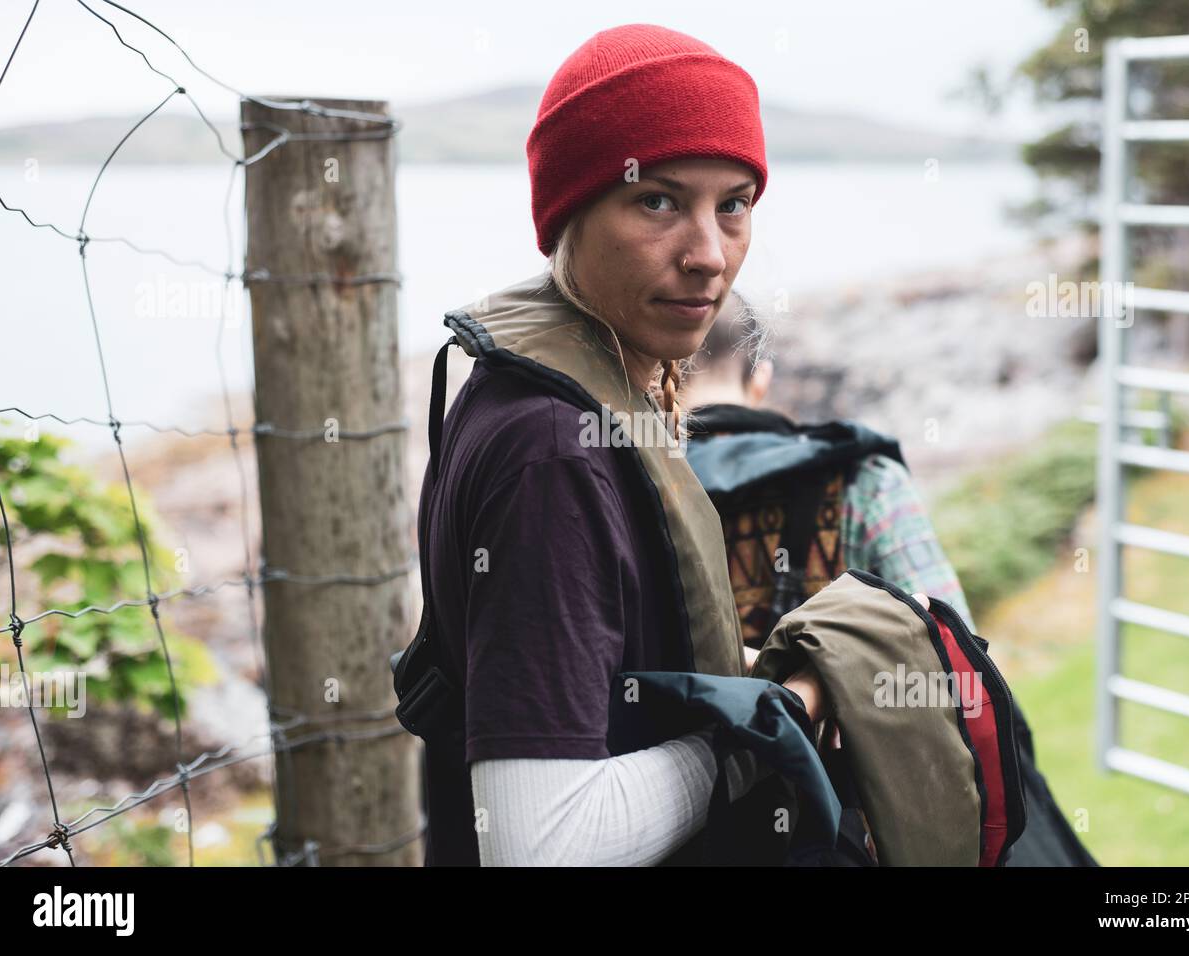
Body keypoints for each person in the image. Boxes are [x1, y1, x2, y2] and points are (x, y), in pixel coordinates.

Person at [416, 23, 931, 867]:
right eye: (657, 199)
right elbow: (542, 844)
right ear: (567, 212)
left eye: (733, 204)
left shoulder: (561, 390)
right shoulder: (554, 451)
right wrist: (779, 717)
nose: (709, 257)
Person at [680, 297, 978, 633]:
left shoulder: (632, 488)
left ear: (661, 380)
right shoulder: (865, 478)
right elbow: (956, 654)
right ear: (761, 377)